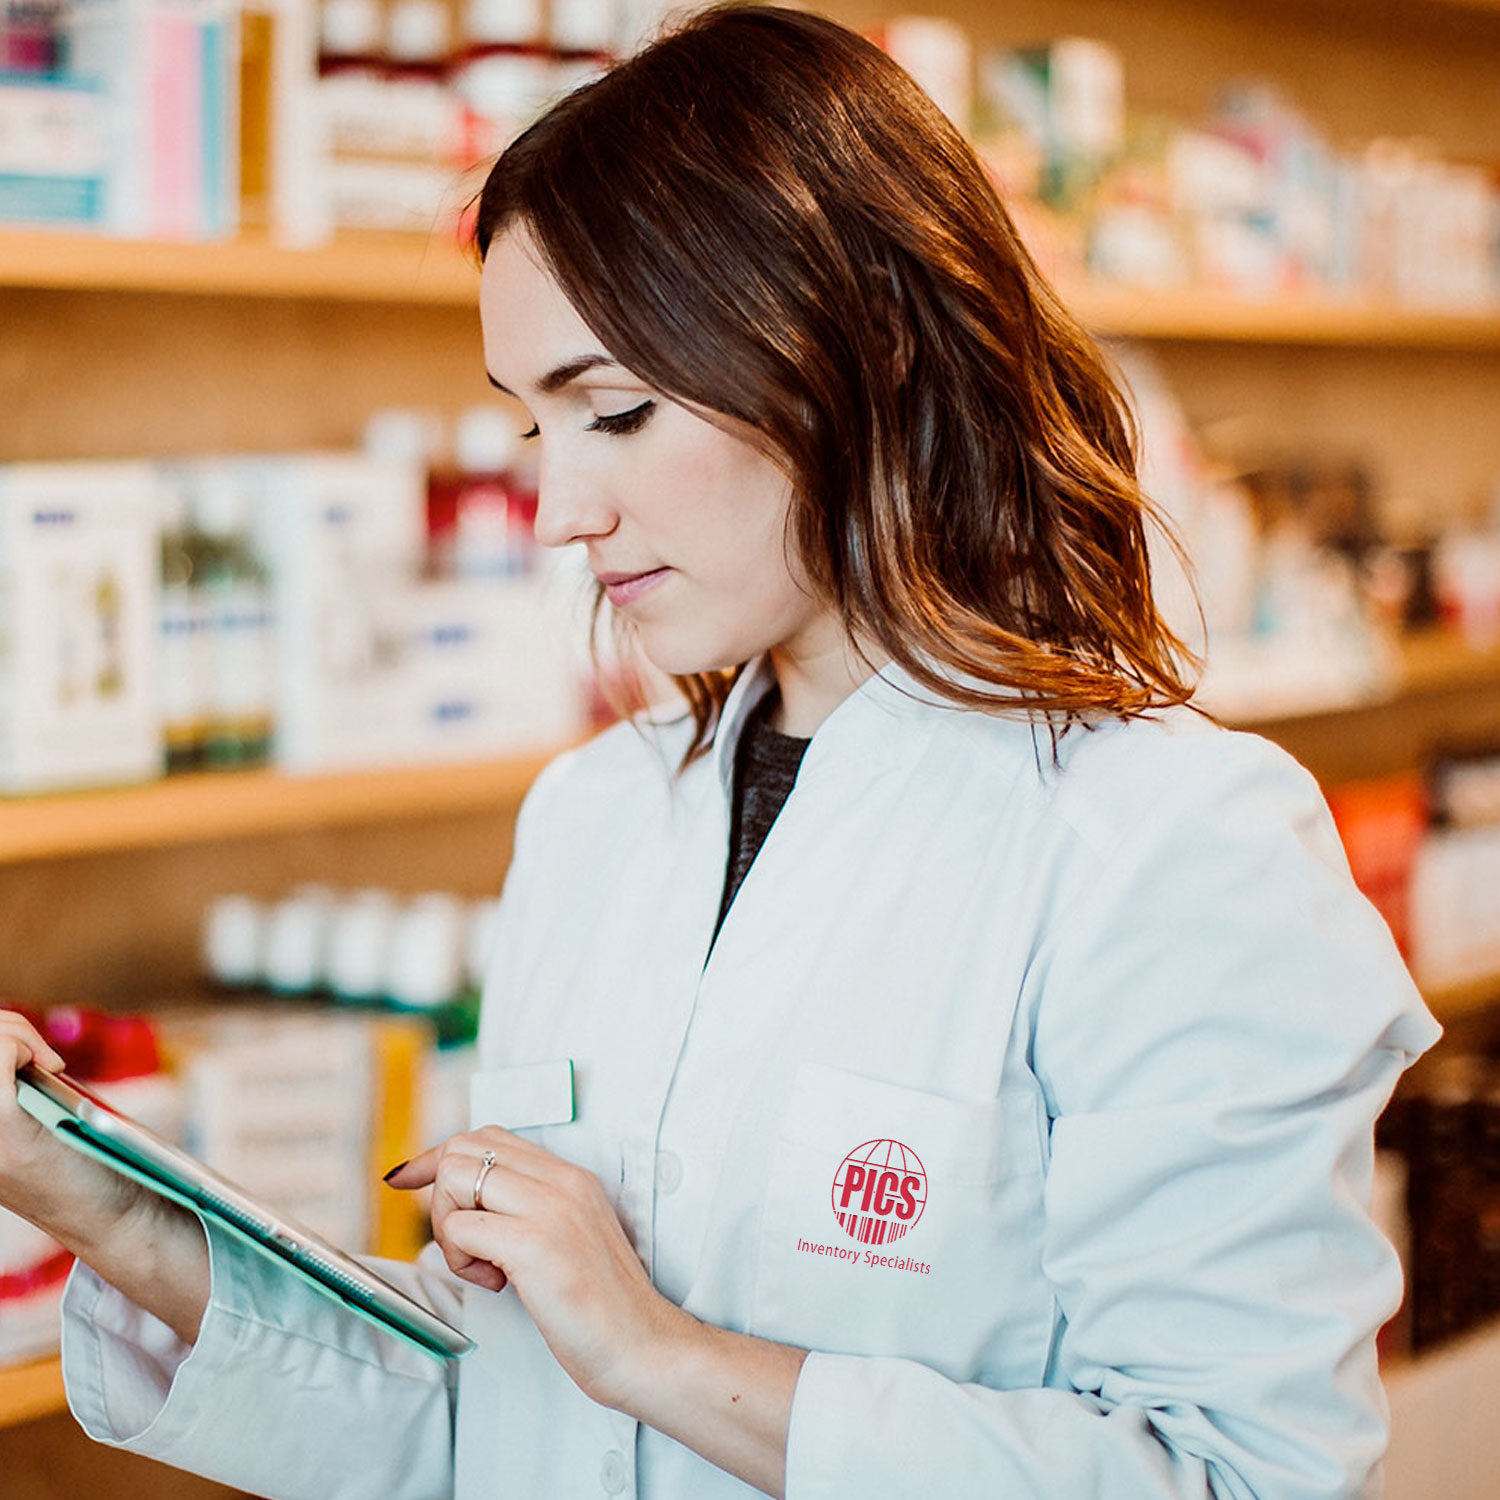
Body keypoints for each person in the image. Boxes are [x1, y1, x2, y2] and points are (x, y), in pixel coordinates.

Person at [0, 6, 1440, 1497]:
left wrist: (656, 1355)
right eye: (533, 434)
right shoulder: (596, 819)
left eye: (613, 414)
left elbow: (1242, 1476)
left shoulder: (1169, 844)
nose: (561, 512)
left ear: (856, 353)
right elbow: (507, 1426)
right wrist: (90, 1194)